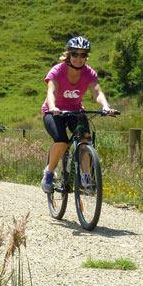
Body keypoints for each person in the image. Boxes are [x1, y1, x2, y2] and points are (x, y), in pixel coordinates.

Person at [41, 36, 118, 193]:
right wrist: (54, 106)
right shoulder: (58, 71)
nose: (79, 58)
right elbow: (51, 92)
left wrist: (106, 106)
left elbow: (97, 92)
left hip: (75, 111)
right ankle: (49, 173)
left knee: (85, 140)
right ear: (68, 55)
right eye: (75, 54)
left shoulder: (89, 73)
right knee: (61, 141)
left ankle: (86, 178)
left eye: (83, 55)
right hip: (54, 111)